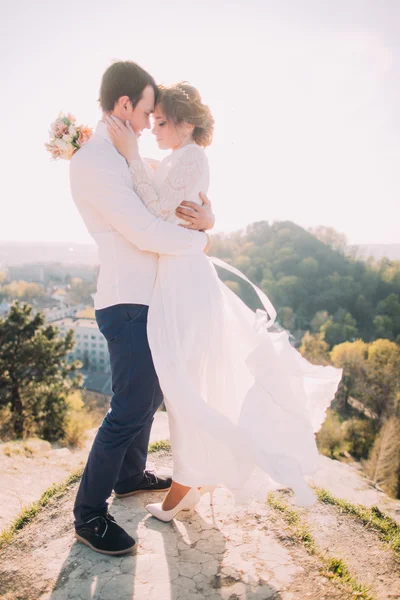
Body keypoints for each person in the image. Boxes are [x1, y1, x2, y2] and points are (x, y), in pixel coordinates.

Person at [106, 82, 343, 523]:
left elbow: (157, 209)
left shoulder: (192, 156)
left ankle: (186, 482)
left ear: (186, 124)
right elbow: (163, 194)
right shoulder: (179, 157)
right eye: (151, 121)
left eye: (161, 122)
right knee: (184, 383)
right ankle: (193, 477)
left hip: (184, 282)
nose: (153, 130)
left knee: (183, 384)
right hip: (176, 278)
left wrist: (132, 156)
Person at [69, 61, 215, 556]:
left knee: (148, 399)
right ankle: (89, 514)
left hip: (151, 296)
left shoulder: (121, 155)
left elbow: (172, 202)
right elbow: (146, 231)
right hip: (126, 298)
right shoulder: (95, 161)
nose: (152, 122)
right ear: (125, 105)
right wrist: (203, 244)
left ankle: (130, 477)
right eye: (148, 110)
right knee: (130, 407)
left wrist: (207, 220)